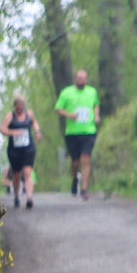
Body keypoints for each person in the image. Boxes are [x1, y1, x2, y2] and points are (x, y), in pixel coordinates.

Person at [55, 69, 100, 200]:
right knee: (75, 161)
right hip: (72, 132)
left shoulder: (92, 92)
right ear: (75, 79)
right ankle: (75, 179)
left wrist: (96, 115)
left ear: (87, 79)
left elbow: (96, 104)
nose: (82, 80)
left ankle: (84, 189)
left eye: (84, 78)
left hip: (89, 131)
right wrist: (70, 115)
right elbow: (58, 108)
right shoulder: (67, 92)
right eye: (79, 78)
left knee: (86, 158)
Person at [0, 95, 41, 210]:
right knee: (16, 174)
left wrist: (37, 132)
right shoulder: (10, 116)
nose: (20, 109)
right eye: (18, 107)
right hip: (14, 150)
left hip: (28, 148)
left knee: (28, 172)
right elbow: (2, 129)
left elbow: (35, 123)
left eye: (22, 107)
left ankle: (29, 198)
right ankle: (16, 195)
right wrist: (13, 132)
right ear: (15, 106)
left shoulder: (29, 114)